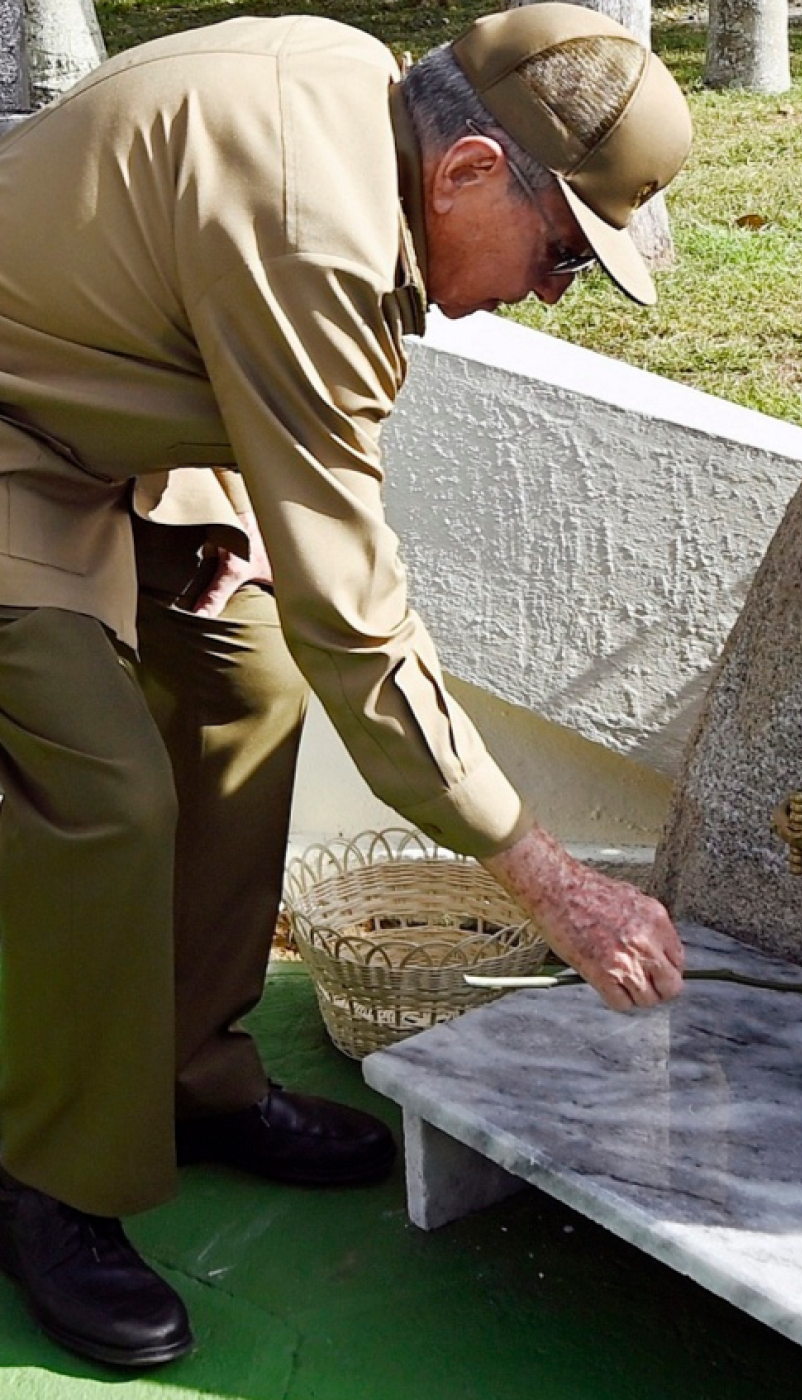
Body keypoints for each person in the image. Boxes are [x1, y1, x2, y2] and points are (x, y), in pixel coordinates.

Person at [0, 3, 692, 1368]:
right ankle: (47, 1177)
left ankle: (189, 1077)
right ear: (472, 173)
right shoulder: (315, 229)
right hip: (18, 425)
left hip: (91, 408)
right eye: (563, 252)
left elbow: (180, 307)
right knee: (104, 796)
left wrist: (209, 483)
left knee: (245, 684)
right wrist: (540, 873)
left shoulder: (364, 98)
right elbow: (361, 626)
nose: (552, 292)